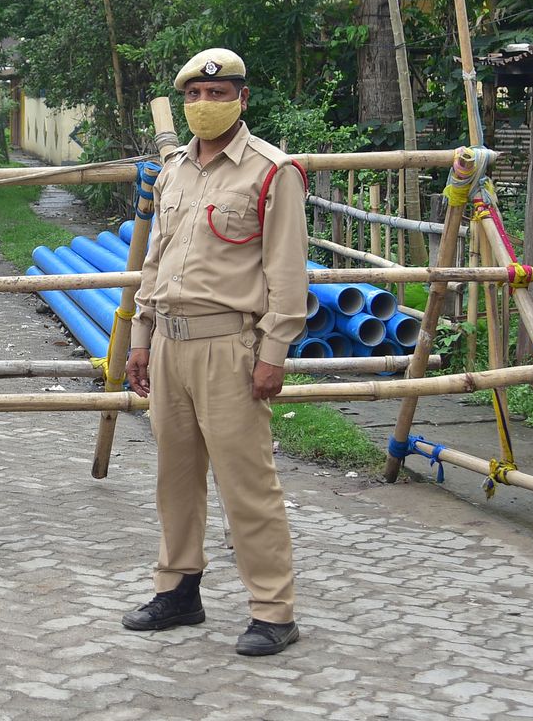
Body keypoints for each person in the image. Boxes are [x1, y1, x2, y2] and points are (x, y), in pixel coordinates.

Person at [124, 48, 308, 658]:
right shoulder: (174, 169)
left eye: (219, 94)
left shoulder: (270, 171)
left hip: (230, 347)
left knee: (246, 484)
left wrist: (273, 351)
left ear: (242, 100)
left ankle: (273, 610)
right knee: (174, 480)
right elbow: (154, 260)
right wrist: (142, 339)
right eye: (196, 97)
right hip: (171, 346)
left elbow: (286, 273)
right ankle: (179, 589)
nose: (206, 105)